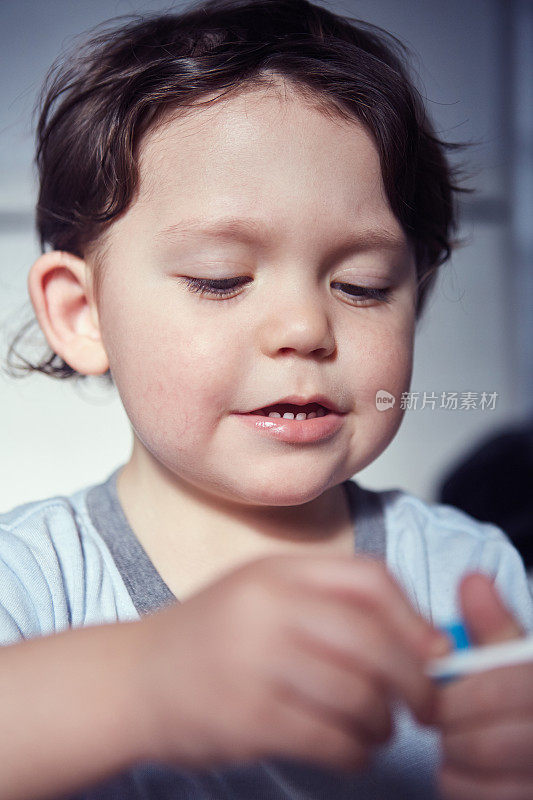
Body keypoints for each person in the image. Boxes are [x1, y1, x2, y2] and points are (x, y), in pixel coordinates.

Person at [2, 1, 532, 798]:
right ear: (83, 315)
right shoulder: (32, 580)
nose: (303, 327)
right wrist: (139, 682)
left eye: (361, 286)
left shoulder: (470, 574)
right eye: (221, 278)